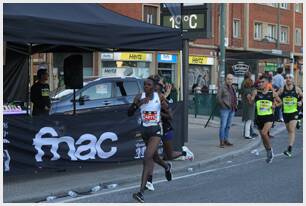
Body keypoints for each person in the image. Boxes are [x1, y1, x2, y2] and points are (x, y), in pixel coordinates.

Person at [144, 76, 194, 191]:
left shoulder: (161, 98)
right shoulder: (146, 96)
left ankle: (184, 153)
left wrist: (158, 114)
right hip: (153, 130)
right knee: (151, 156)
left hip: (165, 127)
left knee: (169, 155)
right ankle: (149, 181)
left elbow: (170, 116)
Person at [128, 78, 172, 203]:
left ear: (153, 87)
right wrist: (138, 104)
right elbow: (129, 113)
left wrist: (163, 110)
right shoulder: (139, 97)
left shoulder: (160, 97)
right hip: (145, 132)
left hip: (156, 131)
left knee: (147, 157)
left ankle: (141, 192)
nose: (146, 87)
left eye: (149, 85)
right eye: (145, 85)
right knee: (155, 158)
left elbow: (170, 115)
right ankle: (167, 166)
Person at [249, 75, 282, 163]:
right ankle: (268, 152)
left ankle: (270, 150)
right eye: (259, 82)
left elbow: (280, 103)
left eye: (262, 82)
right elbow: (251, 103)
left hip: (269, 117)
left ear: (267, 83)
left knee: (264, 133)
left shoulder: (272, 93)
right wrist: (251, 97)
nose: (260, 84)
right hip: (259, 118)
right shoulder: (256, 92)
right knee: (263, 138)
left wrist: (274, 105)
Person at [278, 74, 303, 157]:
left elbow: (303, 96)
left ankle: (289, 149)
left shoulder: (297, 89)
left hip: (294, 112)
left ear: (292, 80)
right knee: (289, 130)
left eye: (290, 78)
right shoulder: (282, 89)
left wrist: (301, 102)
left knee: (292, 130)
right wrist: (278, 102)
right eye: (287, 78)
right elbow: (275, 96)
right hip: (285, 113)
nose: (288, 79)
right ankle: (299, 121)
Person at [216, 74, 237, 148]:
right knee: (223, 126)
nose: (230, 80)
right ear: (226, 79)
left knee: (228, 126)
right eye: (228, 79)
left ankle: (226, 140)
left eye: (231, 79)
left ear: (233, 80)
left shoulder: (233, 87)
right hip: (225, 109)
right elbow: (218, 98)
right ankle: (221, 142)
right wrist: (223, 105)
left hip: (232, 109)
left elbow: (234, 97)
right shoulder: (222, 87)